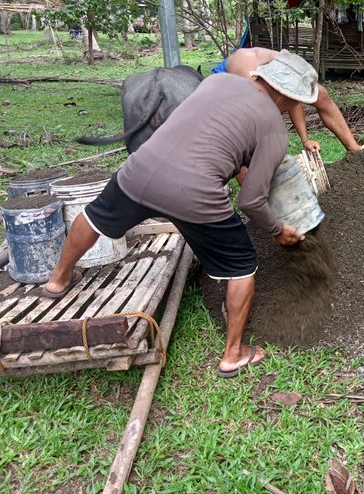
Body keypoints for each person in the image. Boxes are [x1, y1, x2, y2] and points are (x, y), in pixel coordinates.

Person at [42, 51, 320, 378]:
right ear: (288, 96)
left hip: (140, 171)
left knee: (94, 217)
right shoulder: (274, 128)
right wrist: (277, 229)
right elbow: (251, 200)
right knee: (242, 265)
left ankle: (58, 279)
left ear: (263, 75)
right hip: (196, 195)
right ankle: (233, 354)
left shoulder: (216, 82)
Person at [218, 47, 364, 153]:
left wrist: (305, 140)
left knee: (322, 94)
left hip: (270, 72)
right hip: (229, 71)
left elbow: (294, 98)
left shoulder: (288, 76)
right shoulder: (252, 95)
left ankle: (354, 148)